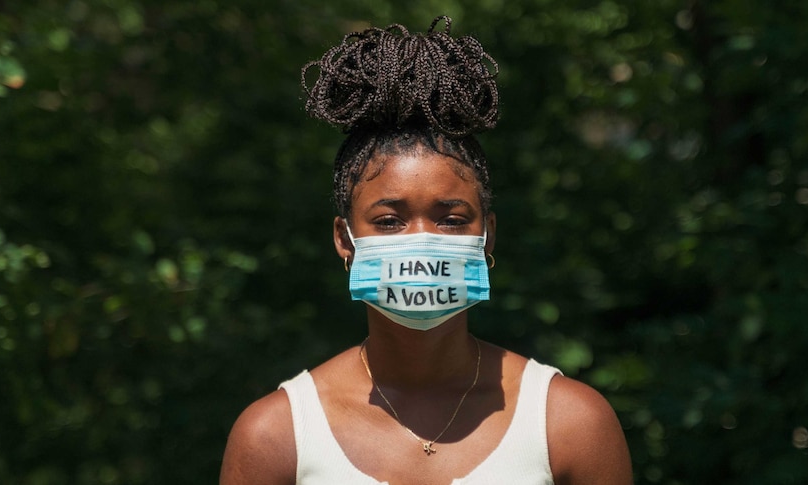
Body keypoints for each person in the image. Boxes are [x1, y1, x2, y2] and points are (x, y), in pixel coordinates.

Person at [220, 16, 632, 485]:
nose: (421, 238)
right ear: (343, 240)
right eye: (389, 221)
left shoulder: (569, 424)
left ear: (488, 236)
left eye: (452, 219)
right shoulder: (275, 437)